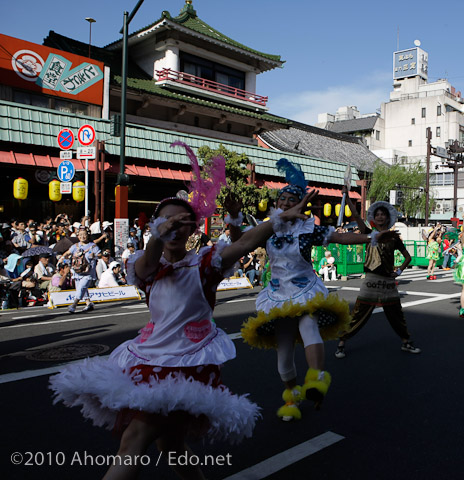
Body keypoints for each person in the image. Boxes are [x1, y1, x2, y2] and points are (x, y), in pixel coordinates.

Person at [48, 143, 292, 479]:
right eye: (166, 223)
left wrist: (278, 219)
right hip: (150, 355)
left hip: (189, 362)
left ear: (193, 230)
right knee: (171, 447)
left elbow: (245, 243)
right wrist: (159, 234)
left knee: (134, 438)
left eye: (182, 224)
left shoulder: (206, 263)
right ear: (156, 229)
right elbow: (148, 260)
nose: (174, 229)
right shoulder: (145, 265)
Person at [240, 159, 398, 422]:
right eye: (283, 200)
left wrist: (370, 237)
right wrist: (234, 219)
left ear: (301, 205)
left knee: (308, 325)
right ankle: (291, 397)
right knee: (283, 355)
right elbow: (240, 241)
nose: (286, 203)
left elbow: (339, 237)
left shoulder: (308, 230)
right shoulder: (269, 229)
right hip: (277, 295)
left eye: (292, 200)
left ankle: (317, 378)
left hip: (303, 290)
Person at [335, 198, 419, 360]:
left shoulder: (393, 237)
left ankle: (406, 341)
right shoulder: (367, 233)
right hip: (371, 280)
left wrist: (399, 271)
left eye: (383, 214)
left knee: (396, 314)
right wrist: (348, 200)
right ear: (374, 217)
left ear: (388, 218)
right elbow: (357, 218)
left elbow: (407, 257)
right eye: (378, 214)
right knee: (358, 314)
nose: (380, 217)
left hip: (388, 281)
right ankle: (342, 342)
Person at [62, 227, 101, 313]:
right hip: (77, 271)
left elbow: (100, 255)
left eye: (84, 235)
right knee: (82, 288)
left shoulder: (93, 246)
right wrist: (62, 259)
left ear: (88, 235)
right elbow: (67, 253)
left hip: (88, 272)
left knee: (81, 287)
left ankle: (74, 305)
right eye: (80, 235)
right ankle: (88, 303)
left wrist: (94, 255)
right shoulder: (75, 246)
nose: (82, 236)